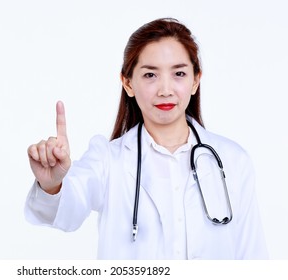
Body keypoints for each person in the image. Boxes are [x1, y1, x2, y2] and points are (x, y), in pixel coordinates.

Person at [25, 18, 268, 259]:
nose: (165, 89)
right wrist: (52, 185)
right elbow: (68, 210)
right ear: (128, 83)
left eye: (179, 73)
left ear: (195, 81)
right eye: (150, 75)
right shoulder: (108, 159)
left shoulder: (233, 160)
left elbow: (253, 258)